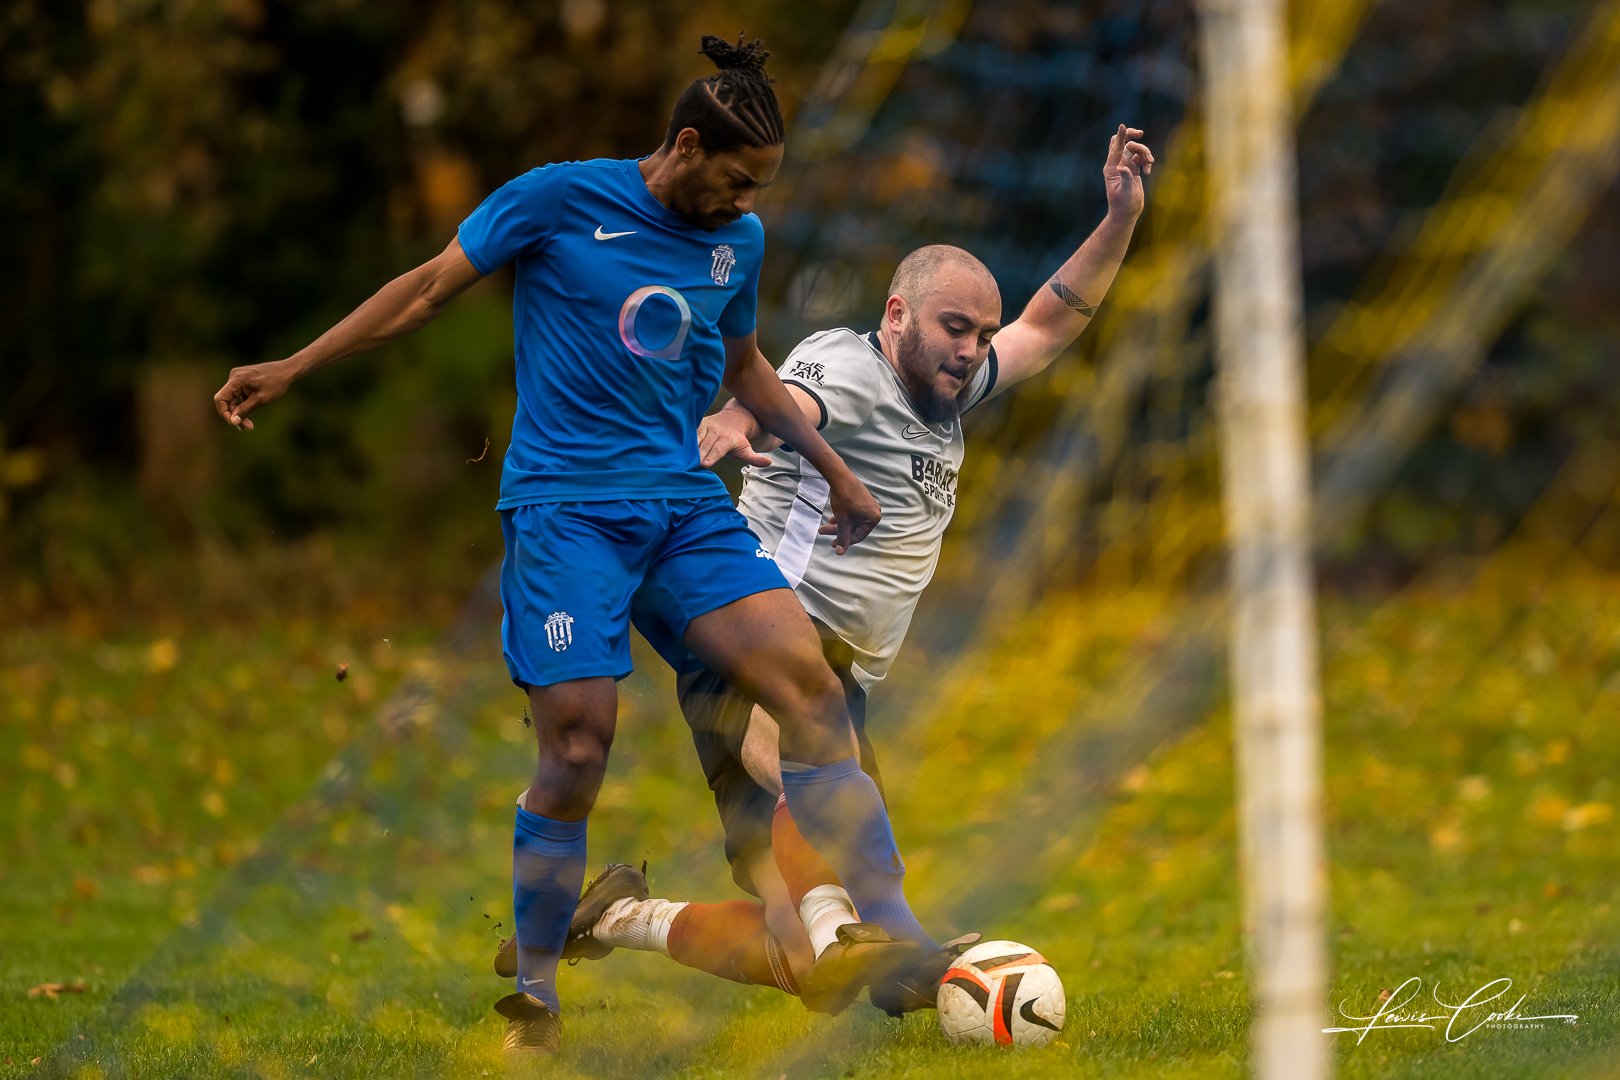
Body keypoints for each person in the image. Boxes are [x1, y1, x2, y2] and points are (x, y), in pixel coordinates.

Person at [212, 35, 939, 1057]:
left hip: (684, 509)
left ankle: (899, 940)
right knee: (578, 747)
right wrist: (298, 363)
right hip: (566, 514)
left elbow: (745, 364)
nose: (746, 202)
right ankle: (540, 994)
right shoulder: (556, 201)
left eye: (760, 187)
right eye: (736, 179)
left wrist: (834, 468)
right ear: (686, 146)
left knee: (810, 692)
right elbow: (424, 290)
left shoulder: (741, 241)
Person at [508, 124, 1156, 1016]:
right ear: (897, 316)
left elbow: (1050, 323)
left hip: (841, 679)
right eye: (952, 328)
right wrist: (739, 424)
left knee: (816, 976)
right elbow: (788, 400)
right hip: (763, 641)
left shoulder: (952, 390)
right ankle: (895, 941)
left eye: (979, 335)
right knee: (811, 791)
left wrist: (1119, 217)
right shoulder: (847, 365)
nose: (970, 350)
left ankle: (620, 914)